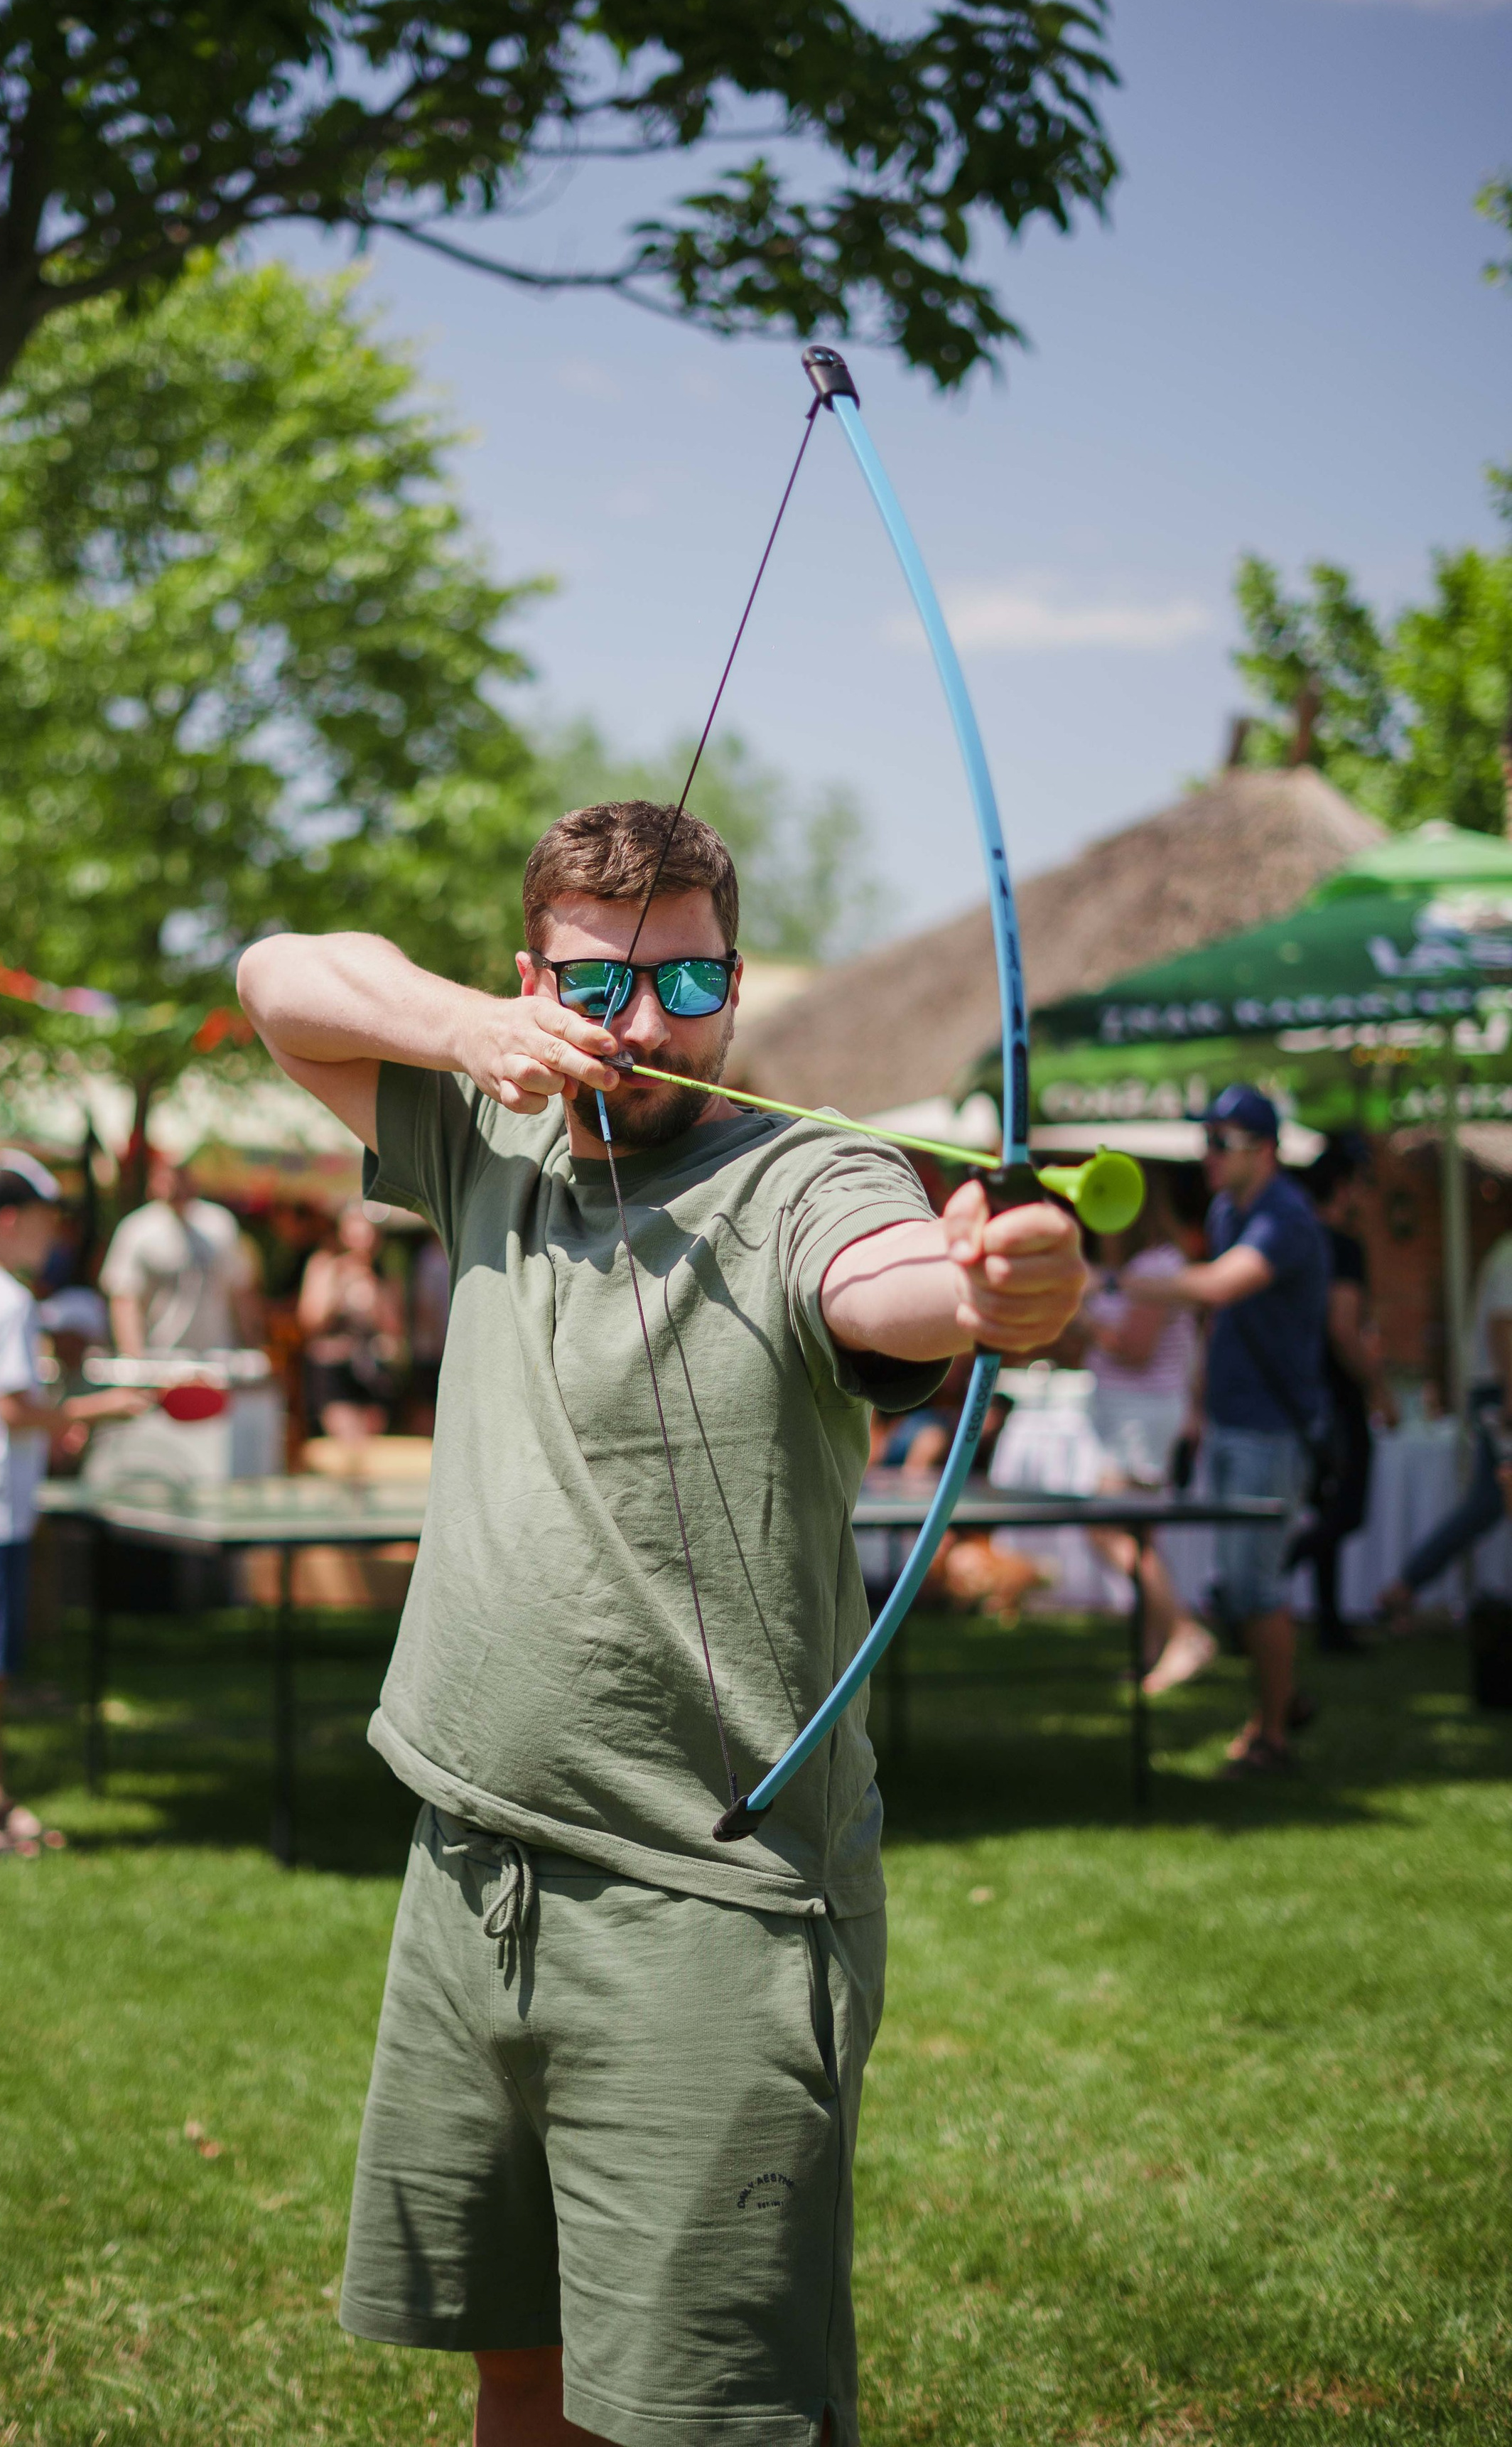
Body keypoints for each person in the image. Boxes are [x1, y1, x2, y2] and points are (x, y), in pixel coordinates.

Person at [237, 797, 1086, 2447]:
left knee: (707, 2415)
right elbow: (281, 973)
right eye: (596, 981)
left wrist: (993, 1292)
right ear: (529, 974)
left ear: (735, 982)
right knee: (518, 2369)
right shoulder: (485, 1131)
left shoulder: (802, 1169)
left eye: (687, 986)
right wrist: (477, 1034)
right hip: (473, 1865)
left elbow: (886, 1278)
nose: (641, 1024)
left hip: (711, 1898)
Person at [0, 1152, 146, 1856]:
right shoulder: (10, 1301)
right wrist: (106, 1407)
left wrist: (57, 1419)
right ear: (9, 1220)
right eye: (47, 1220)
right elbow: (13, 1406)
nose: (55, 1236)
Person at [1122, 1085, 1327, 1776]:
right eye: (1203, 1139)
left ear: (1263, 1150)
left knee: (1254, 1588)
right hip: (1236, 1420)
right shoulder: (1226, 1208)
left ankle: (1271, 1735)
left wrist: (1119, 1281)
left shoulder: (1284, 1216)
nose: (1204, 1155)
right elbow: (1219, 1320)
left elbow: (1216, 1289)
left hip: (1272, 1427)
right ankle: (1284, 1699)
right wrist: (1198, 1404)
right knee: (1243, 1588)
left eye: (1219, 1142)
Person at [1071, 1177, 1218, 1696]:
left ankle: (1185, 1633)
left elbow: (1134, 1348)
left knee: (1107, 1531)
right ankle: (1157, 1650)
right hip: (1132, 1415)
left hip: (1142, 1417)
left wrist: (1081, 1314)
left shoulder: (1156, 1267)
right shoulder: (1137, 1270)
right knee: (1140, 1535)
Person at [1288, 1141, 1395, 1652]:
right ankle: (1260, 1581)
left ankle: (1328, 1623)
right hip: (1337, 1396)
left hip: (1300, 1393)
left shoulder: (1295, 1239)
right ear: (1344, 1185)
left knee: (1326, 1507)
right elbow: (1344, 1328)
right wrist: (1378, 1390)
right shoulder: (1339, 1246)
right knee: (1344, 1511)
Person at [1380, 1215, 1512, 1621]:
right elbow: (1503, 1329)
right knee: (1490, 1500)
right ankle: (1406, 1586)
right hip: (1499, 1391)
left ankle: (1407, 1585)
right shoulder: (1510, 1256)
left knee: (1489, 1500)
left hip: (1499, 1390)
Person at [99, 1149, 264, 1356]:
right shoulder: (136, 1230)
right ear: (154, 1178)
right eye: (168, 1173)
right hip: (161, 1362)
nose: (175, 1181)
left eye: (182, 1172)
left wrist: (253, 1347)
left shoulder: (220, 1224)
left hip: (216, 1360)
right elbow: (124, 1300)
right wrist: (134, 1361)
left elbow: (241, 1292)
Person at [298, 1202, 405, 1439]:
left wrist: (375, 1293)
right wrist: (339, 1287)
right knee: (346, 1442)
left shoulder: (384, 1274)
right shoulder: (325, 1266)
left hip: (373, 1372)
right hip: (334, 1370)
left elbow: (395, 1329)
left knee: (371, 1447)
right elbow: (310, 1321)